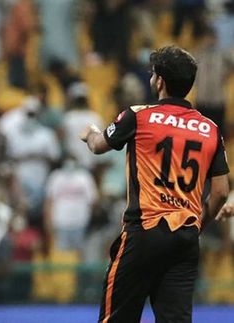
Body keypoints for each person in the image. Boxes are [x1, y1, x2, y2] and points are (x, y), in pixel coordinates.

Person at [79, 45, 230, 322]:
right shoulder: (210, 129)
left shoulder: (139, 115)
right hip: (185, 238)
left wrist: (90, 133)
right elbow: (220, 193)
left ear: (159, 81)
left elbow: (99, 146)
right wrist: (196, 226)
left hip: (144, 231)